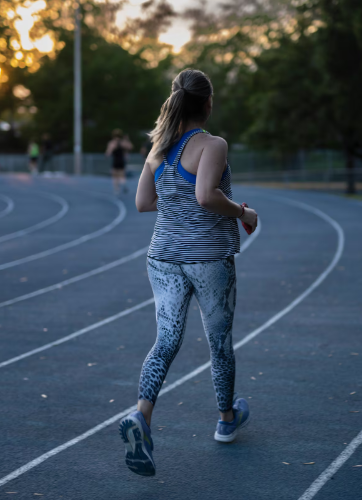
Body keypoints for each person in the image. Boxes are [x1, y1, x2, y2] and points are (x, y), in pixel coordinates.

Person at [120, 69, 259, 477]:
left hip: (163, 256)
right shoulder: (213, 145)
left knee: (166, 340)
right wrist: (243, 212)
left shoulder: (158, 147)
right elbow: (205, 196)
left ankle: (142, 415)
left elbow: (143, 202)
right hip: (208, 258)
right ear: (208, 103)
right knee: (219, 342)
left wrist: (175, 201)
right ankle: (226, 420)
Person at [106, 129, 133, 194]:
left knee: (115, 176)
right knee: (122, 175)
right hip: (122, 160)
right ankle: (123, 184)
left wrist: (111, 150)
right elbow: (130, 147)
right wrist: (127, 140)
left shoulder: (112, 143)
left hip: (115, 160)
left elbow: (108, 153)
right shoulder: (123, 142)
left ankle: (117, 189)